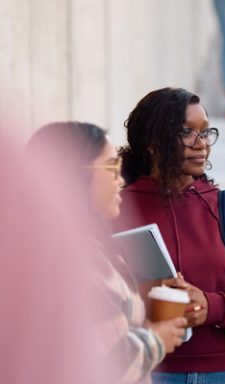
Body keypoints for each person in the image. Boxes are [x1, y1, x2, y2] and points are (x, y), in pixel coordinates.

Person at [114, 87, 225, 384]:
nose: (201, 143)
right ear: (153, 142)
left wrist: (210, 305)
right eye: (188, 132)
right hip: (145, 371)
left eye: (205, 133)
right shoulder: (116, 208)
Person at [25, 122, 187, 384]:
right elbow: (106, 366)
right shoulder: (76, 258)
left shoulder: (44, 249)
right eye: (111, 168)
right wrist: (157, 338)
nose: (120, 180)